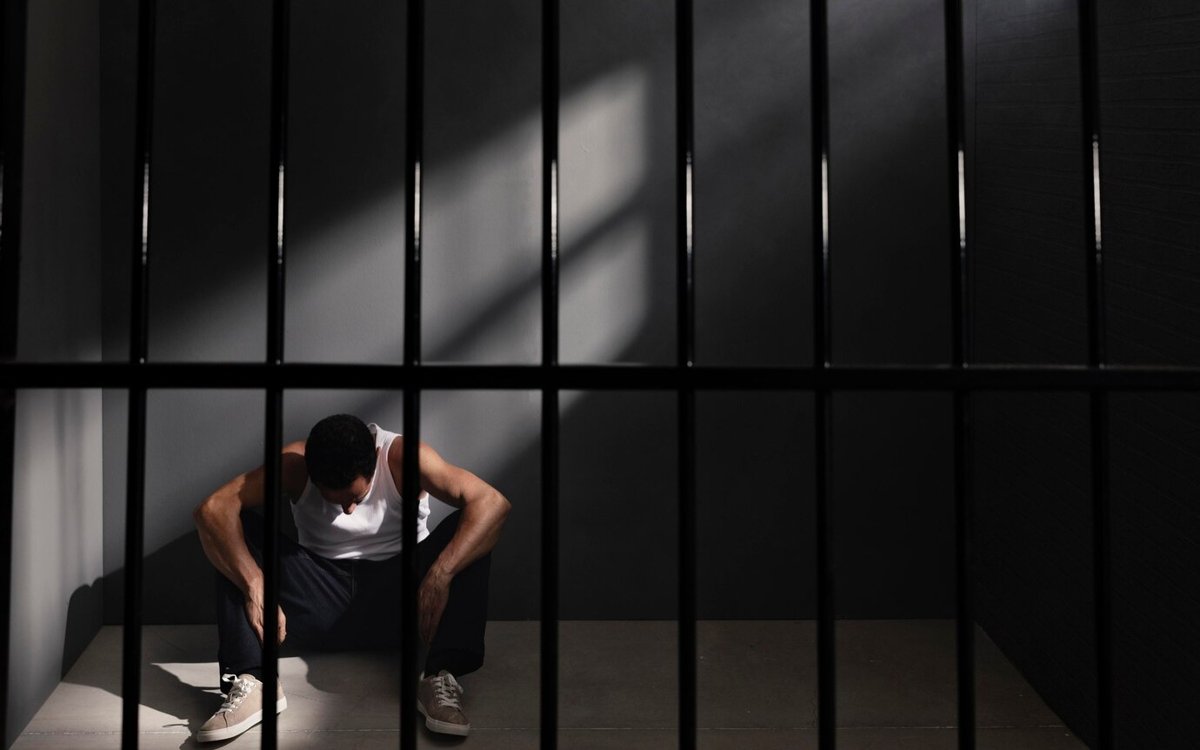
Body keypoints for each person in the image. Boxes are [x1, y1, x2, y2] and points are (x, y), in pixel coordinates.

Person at [191, 413, 510, 742]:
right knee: (231, 531)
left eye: (356, 498)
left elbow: (493, 503)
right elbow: (212, 509)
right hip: (319, 597)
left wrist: (441, 574)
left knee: (471, 530)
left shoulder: (403, 457)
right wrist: (254, 583)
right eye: (336, 499)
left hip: (403, 601)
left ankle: (440, 676)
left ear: (375, 460)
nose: (348, 511)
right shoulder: (295, 464)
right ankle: (255, 681)